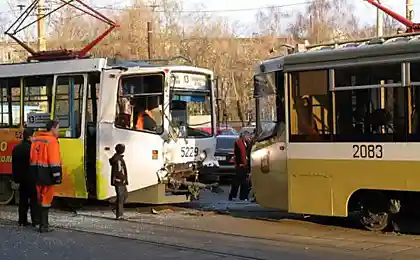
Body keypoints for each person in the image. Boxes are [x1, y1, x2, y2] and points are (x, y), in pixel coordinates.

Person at [30, 120, 62, 233]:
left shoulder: (36, 139)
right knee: (47, 199)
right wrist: (57, 176)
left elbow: (32, 157)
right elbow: (54, 161)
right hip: (47, 174)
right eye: (58, 128)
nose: (58, 131)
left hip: (36, 173)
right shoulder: (52, 141)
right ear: (52, 128)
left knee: (39, 198)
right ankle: (44, 225)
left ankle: (39, 223)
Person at [12, 128, 39, 227]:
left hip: (21, 178)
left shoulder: (16, 148)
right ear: (30, 137)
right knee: (33, 201)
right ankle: (35, 221)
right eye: (34, 136)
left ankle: (22, 221)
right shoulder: (32, 148)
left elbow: (14, 164)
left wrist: (16, 177)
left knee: (22, 200)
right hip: (31, 178)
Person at [229, 133, 251, 201]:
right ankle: (232, 195)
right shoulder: (238, 143)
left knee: (245, 182)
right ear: (244, 137)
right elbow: (237, 154)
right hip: (240, 165)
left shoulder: (247, 143)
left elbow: (248, 152)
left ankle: (243, 196)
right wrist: (240, 163)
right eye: (247, 136)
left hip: (245, 165)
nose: (248, 137)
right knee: (237, 182)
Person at [109, 143, 129, 220]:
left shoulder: (118, 158)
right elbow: (119, 171)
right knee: (121, 197)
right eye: (123, 148)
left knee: (124, 195)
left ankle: (116, 208)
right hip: (119, 181)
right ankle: (119, 214)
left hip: (121, 180)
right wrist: (121, 179)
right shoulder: (117, 159)